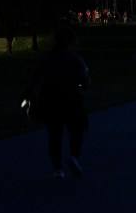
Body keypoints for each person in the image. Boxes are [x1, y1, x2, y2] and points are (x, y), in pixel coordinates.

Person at [22, 25, 90, 178]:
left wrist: (26, 95)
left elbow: (35, 78)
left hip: (50, 99)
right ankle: (74, 156)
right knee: (76, 131)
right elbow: (85, 81)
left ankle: (57, 168)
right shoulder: (75, 58)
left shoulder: (46, 58)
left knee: (54, 134)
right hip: (71, 99)